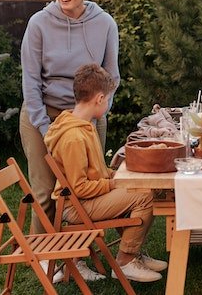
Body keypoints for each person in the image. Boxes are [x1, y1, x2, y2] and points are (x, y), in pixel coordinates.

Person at [20, 0, 120, 236]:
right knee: (45, 192)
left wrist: (97, 112)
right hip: (44, 113)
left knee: (90, 186)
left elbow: (111, 76)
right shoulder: (39, 23)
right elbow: (30, 79)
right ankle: (43, 252)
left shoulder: (105, 23)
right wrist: (46, 129)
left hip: (88, 115)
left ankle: (80, 252)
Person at [44, 64, 167, 282]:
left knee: (146, 187)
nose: (108, 103)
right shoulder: (73, 138)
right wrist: (114, 184)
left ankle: (134, 253)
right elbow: (79, 188)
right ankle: (126, 261)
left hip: (89, 198)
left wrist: (116, 175)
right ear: (99, 98)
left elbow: (96, 171)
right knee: (144, 196)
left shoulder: (84, 125)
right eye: (108, 99)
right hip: (76, 206)